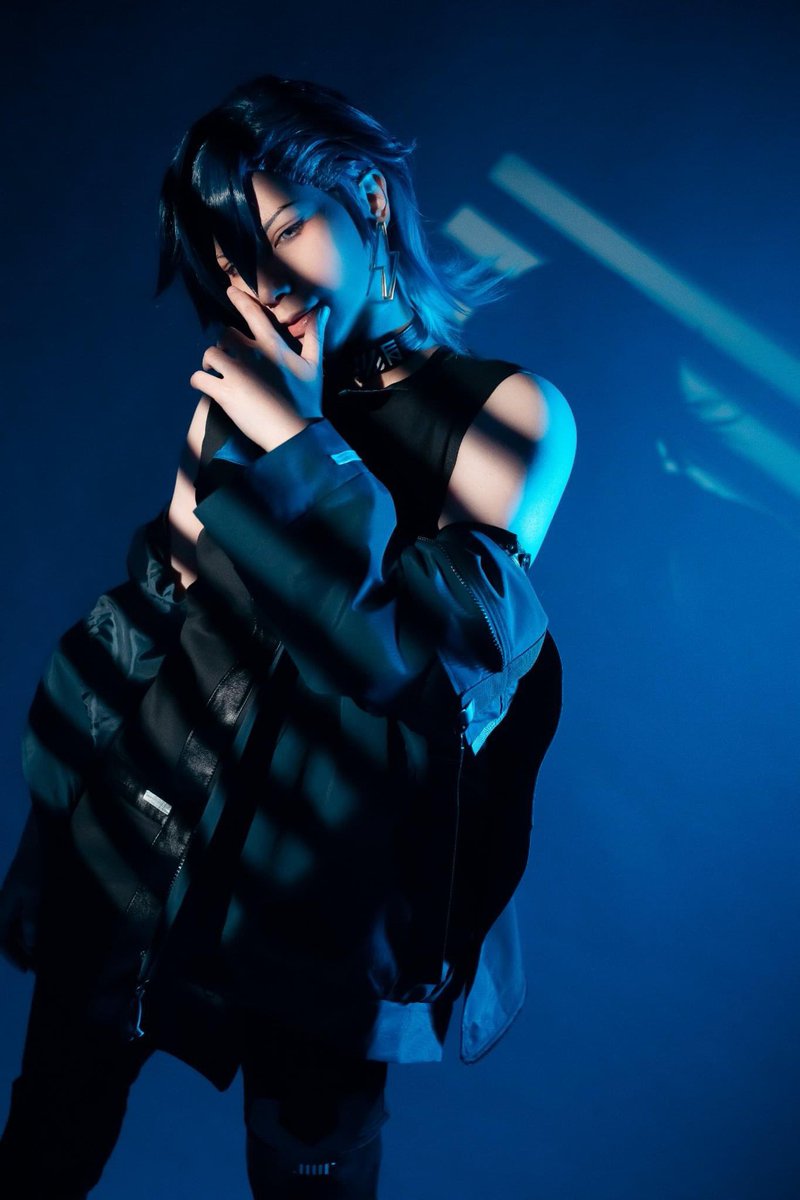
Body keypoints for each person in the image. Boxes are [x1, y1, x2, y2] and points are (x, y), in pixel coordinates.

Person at [0, 73, 576, 1198]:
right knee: (40, 1156)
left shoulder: (507, 415)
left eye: (279, 235)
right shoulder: (236, 397)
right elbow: (144, 621)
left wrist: (298, 438)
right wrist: (40, 845)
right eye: (225, 264)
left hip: (325, 930)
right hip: (124, 864)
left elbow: (427, 669)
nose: (257, 287)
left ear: (366, 197)